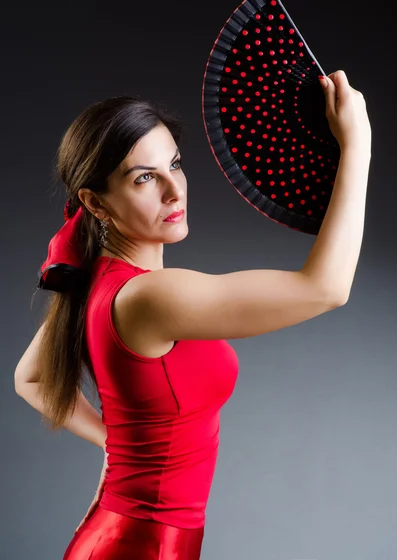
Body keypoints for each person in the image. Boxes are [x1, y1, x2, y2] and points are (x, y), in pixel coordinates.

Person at [14, 70, 372, 559]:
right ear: (96, 203)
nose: (174, 191)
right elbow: (325, 289)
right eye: (144, 178)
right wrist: (358, 147)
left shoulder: (94, 279)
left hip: (130, 537)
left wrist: (116, 444)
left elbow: (29, 379)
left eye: (175, 165)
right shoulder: (149, 298)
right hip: (139, 546)